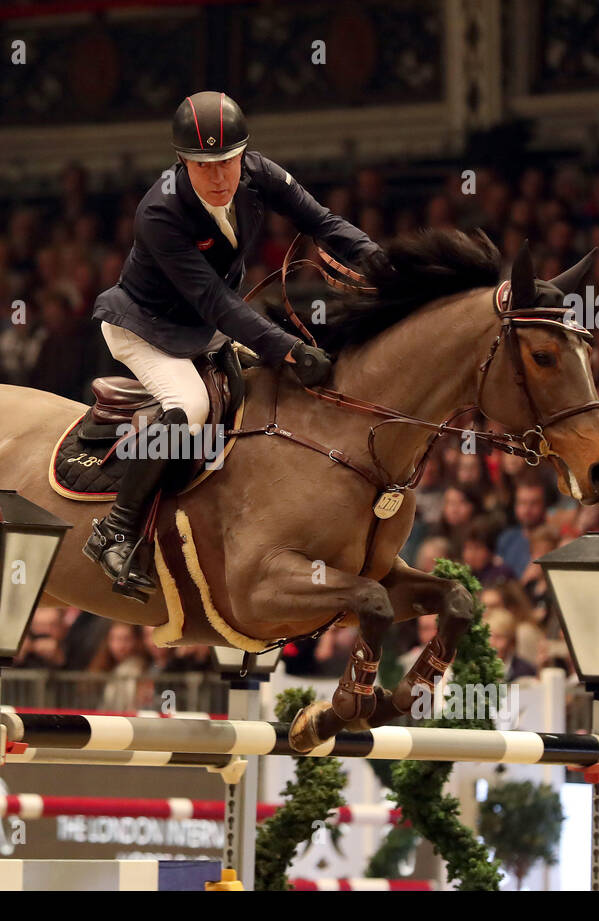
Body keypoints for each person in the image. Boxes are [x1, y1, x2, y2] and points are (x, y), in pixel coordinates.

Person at [85, 91, 379, 599]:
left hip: (203, 325)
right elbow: (216, 301)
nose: (220, 177)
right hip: (145, 327)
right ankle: (116, 528)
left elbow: (325, 224)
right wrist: (288, 348)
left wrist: (388, 268)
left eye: (227, 161)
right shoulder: (159, 212)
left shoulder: (259, 174)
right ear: (182, 162)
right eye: (204, 167)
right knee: (191, 406)